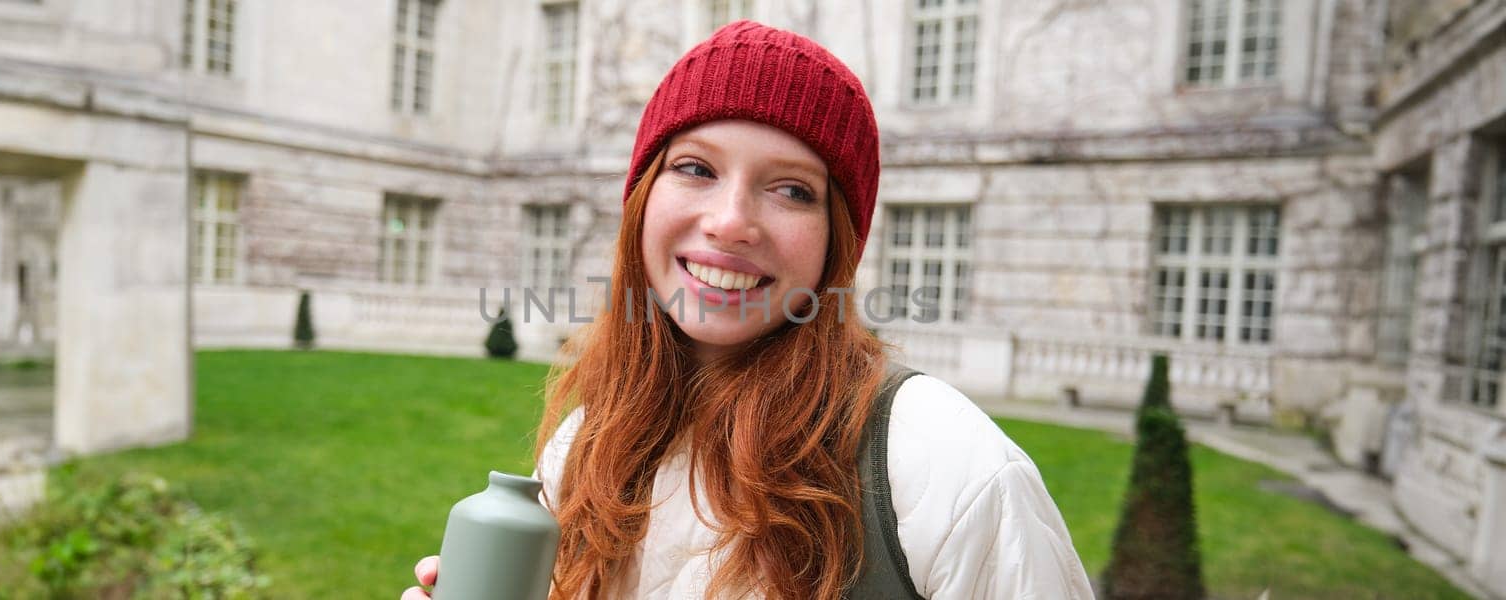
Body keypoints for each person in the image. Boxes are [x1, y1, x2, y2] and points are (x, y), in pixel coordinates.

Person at [405, 20, 1093, 600]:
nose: (731, 222)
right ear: (643, 198)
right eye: (697, 169)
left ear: (837, 241)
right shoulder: (586, 445)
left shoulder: (942, 463)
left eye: (791, 190)